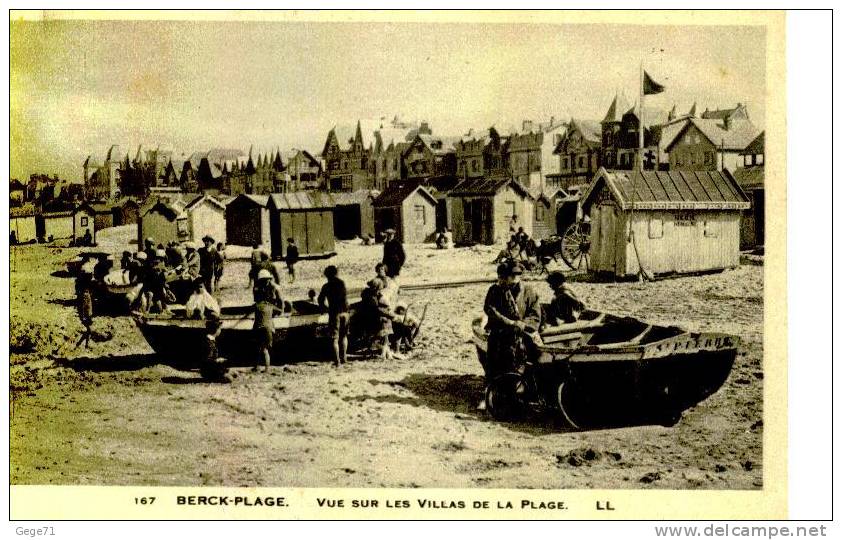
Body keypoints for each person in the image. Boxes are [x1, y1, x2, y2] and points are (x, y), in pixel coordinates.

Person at [481, 261, 541, 387]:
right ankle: (491, 391)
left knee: (529, 364)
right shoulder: (495, 290)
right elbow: (490, 310)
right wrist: (510, 323)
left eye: (518, 274)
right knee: (495, 366)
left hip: (522, 334)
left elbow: (535, 313)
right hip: (501, 334)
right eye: (511, 274)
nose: (515, 277)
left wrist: (523, 325)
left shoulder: (529, 291)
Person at [318, 265, 350, 367]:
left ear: (327, 275)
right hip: (345, 313)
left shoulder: (326, 286)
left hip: (334, 313)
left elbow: (320, 300)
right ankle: (344, 357)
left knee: (334, 338)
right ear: (336, 273)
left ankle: (337, 361)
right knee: (344, 336)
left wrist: (324, 308)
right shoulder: (341, 283)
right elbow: (345, 299)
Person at [253, 269, 284, 372]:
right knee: (261, 348)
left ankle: (264, 367)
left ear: (269, 279)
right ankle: (261, 366)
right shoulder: (258, 288)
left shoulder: (275, 288)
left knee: (262, 348)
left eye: (265, 280)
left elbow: (281, 302)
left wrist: (281, 312)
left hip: (270, 310)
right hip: (267, 312)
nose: (264, 282)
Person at [199, 315, 231, 383]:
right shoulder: (209, 343)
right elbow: (208, 360)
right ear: (216, 330)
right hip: (208, 369)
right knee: (228, 377)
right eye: (219, 329)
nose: (220, 330)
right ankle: (215, 377)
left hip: (207, 368)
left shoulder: (209, 340)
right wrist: (218, 360)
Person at [74, 265, 95, 349]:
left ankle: (82, 344)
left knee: (89, 330)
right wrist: (85, 316)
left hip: (85, 312)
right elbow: (85, 306)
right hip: (85, 313)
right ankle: (84, 344)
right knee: (89, 330)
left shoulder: (81, 285)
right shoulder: (85, 293)